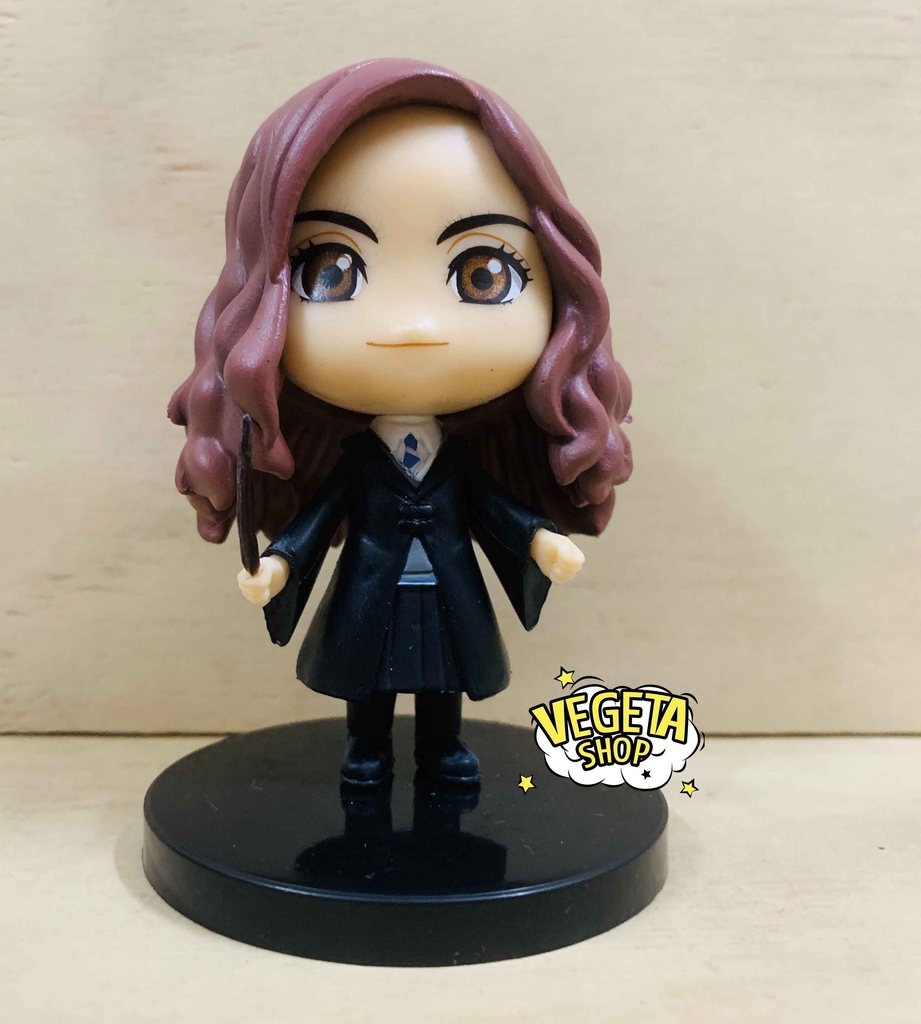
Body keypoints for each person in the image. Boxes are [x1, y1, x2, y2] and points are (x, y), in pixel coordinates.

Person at [168, 59, 633, 788]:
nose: (412, 325)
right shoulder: (358, 458)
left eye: (485, 273)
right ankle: (369, 747)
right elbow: (320, 519)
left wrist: (539, 541)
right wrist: (281, 563)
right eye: (330, 270)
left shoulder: (460, 457)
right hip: (371, 586)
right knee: (369, 676)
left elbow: (493, 510)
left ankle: (443, 748)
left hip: (446, 587)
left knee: (445, 678)